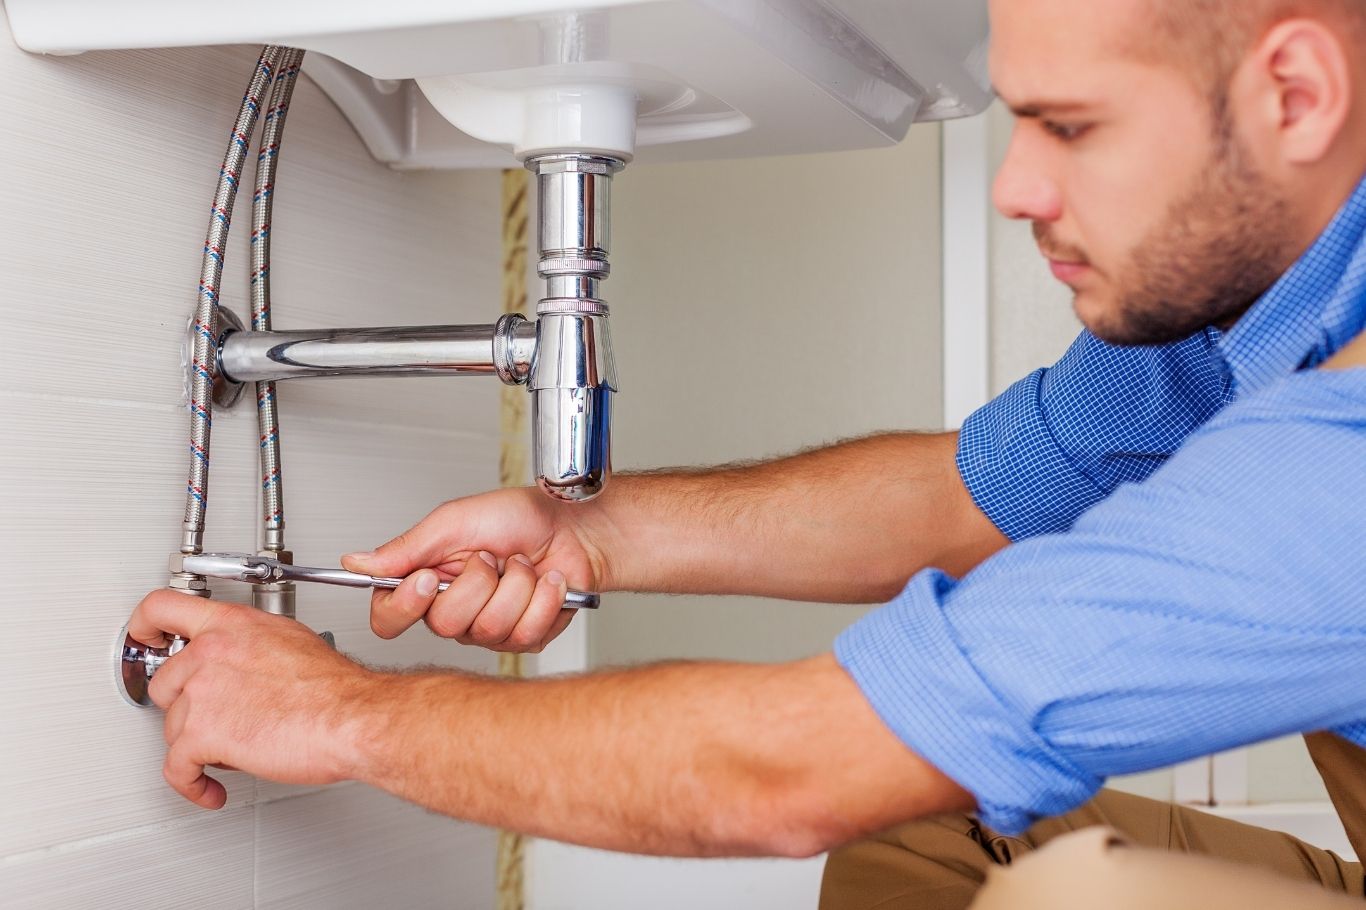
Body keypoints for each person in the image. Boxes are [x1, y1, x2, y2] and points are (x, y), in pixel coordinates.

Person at [128, 0, 1366, 905]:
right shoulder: (1253, 306)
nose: (1014, 188)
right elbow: (968, 493)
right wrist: (592, 534)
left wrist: (343, 713)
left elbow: (794, 771)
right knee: (925, 841)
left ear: (1296, 96)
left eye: (1070, 127)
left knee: (1068, 896)